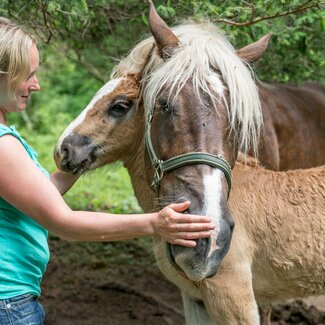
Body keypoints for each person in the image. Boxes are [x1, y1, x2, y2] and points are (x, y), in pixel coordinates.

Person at [0, 17, 215, 325]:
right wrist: (156, 223)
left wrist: (84, 154)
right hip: (8, 304)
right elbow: (65, 223)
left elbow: (34, 198)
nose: (36, 84)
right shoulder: (3, 146)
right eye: (28, 75)